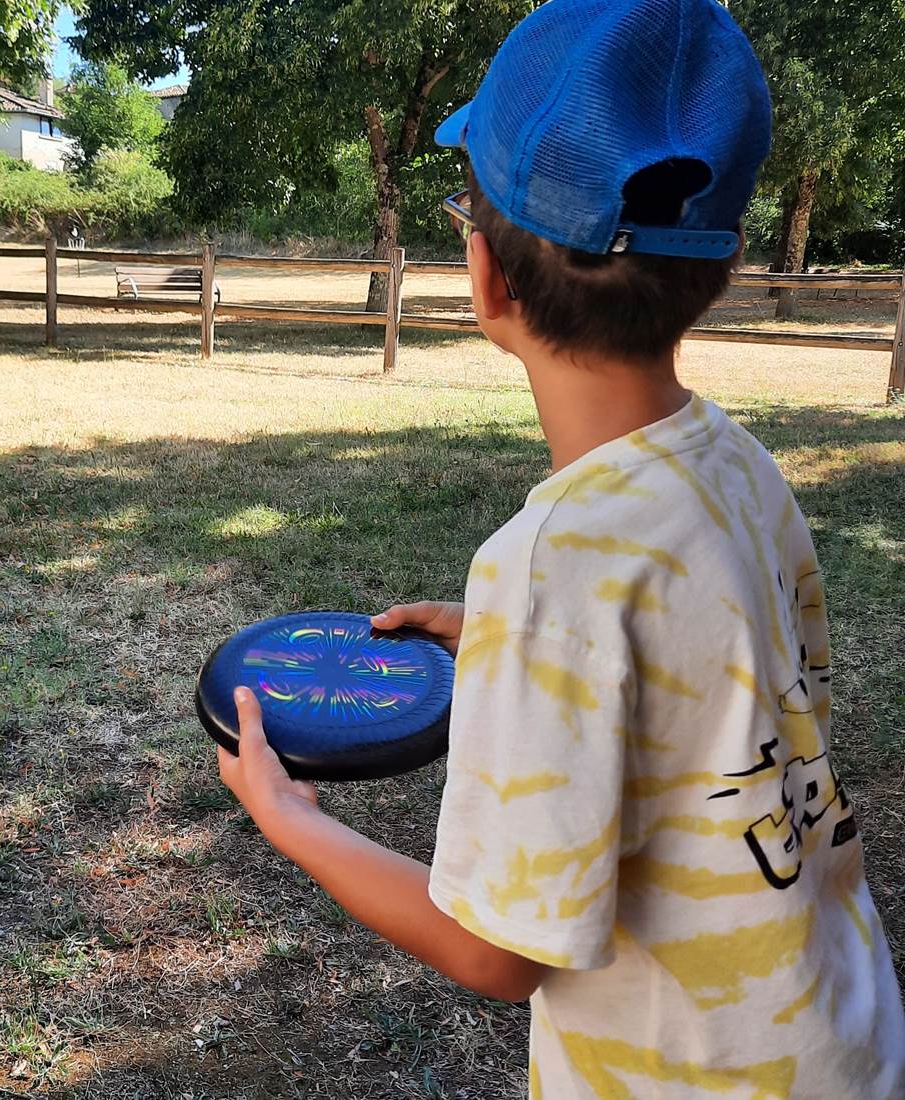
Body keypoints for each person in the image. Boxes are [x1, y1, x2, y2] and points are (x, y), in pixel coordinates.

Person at [214, 0, 905, 1095]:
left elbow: (499, 953)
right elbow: (720, 681)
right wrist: (508, 638)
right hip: (839, 1037)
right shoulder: (735, 464)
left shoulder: (548, 566)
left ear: (487, 280)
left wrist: (291, 819)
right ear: (717, 268)